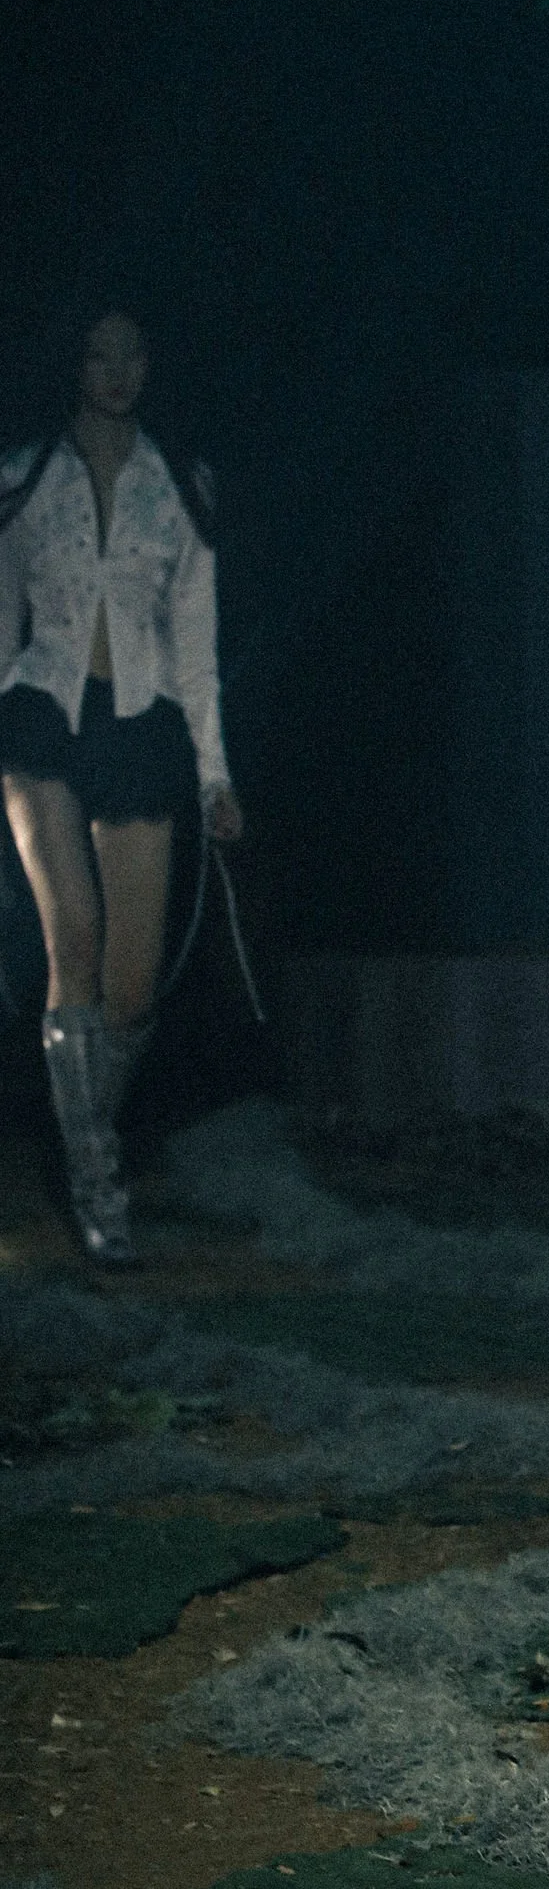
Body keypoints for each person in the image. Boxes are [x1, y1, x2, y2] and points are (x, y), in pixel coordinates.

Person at [0, 309, 241, 1265]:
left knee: (133, 990)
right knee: (78, 937)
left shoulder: (181, 486)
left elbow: (197, 646)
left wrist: (218, 775)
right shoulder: (20, 476)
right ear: (74, 361)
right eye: (99, 353)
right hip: (37, 715)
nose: (117, 371)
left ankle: (80, 1136)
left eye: (133, 353)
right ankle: (99, 1192)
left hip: (141, 725)